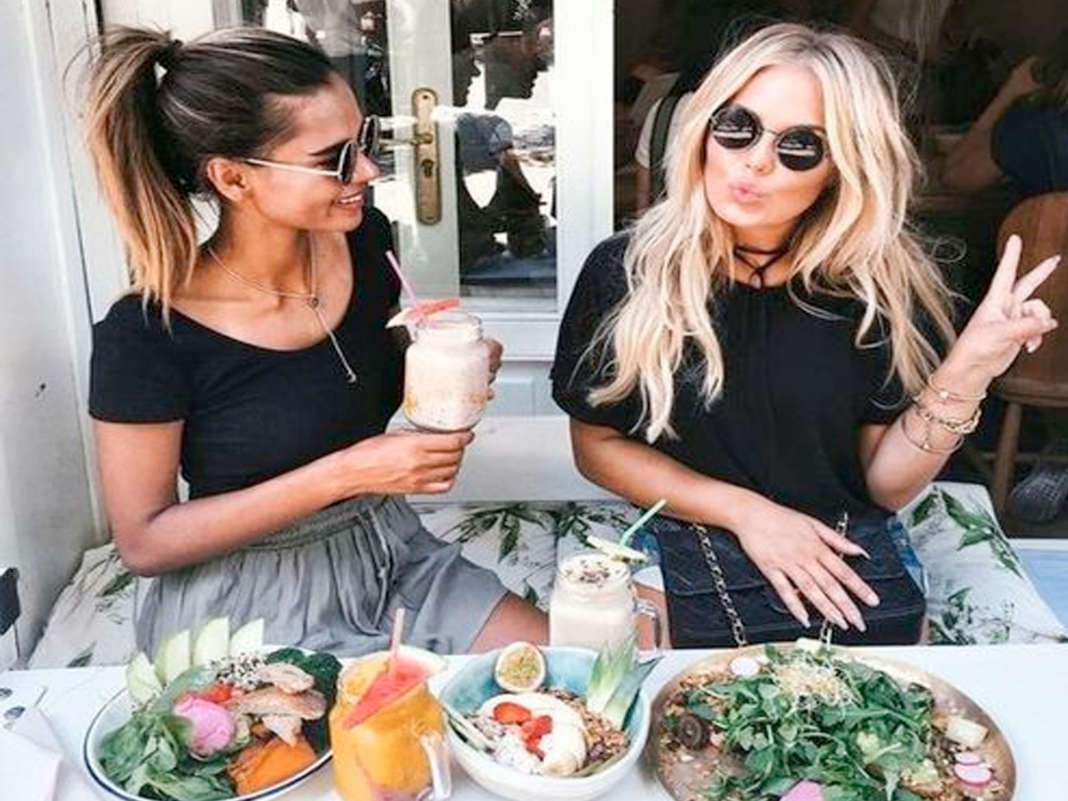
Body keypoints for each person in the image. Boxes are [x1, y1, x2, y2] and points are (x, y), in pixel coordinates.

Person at [552, 23, 1059, 646]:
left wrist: (969, 369)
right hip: (681, 527)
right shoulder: (628, 271)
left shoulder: (881, 289)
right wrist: (751, 515)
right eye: (737, 126)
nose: (756, 161)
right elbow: (596, 445)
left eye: (799, 145)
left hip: (838, 540)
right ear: (704, 129)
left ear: (842, 168)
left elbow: (885, 486)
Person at [82, 26, 547, 656]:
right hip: (249, 595)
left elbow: (352, 376)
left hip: (389, 549)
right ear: (233, 179)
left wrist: (448, 367)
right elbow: (144, 543)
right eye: (334, 158)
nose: (368, 170)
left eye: (365, 141)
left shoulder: (364, 239)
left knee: (566, 679)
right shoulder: (146, 335)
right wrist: (347, 472)